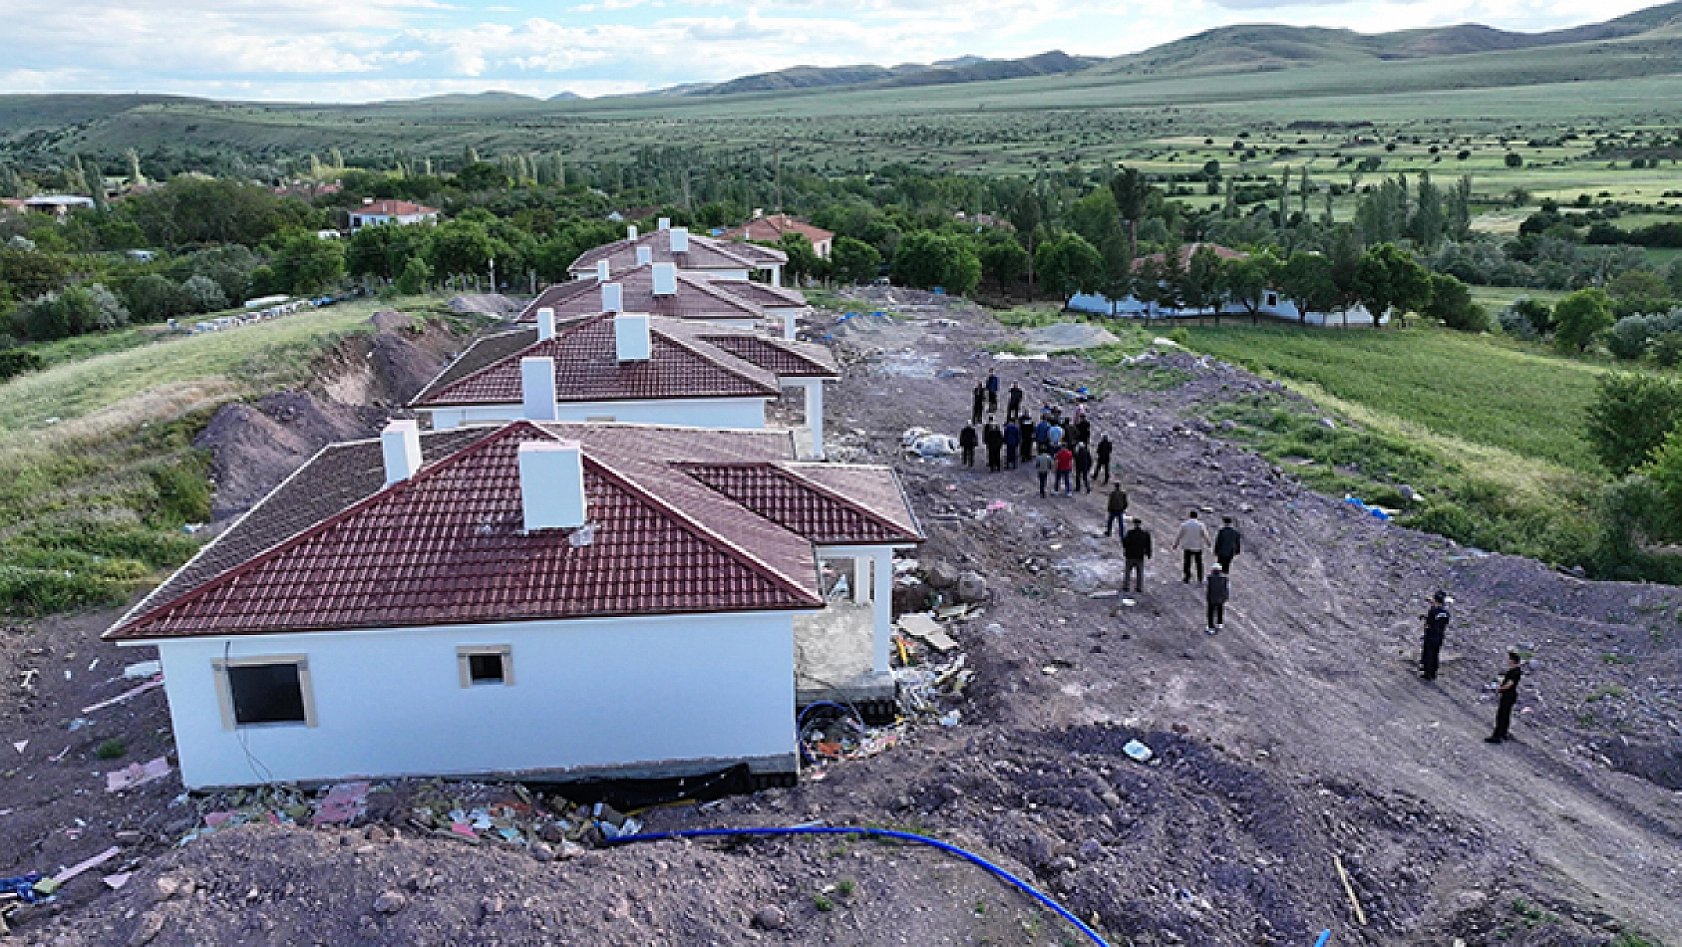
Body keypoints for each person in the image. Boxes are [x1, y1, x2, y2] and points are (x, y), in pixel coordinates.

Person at [1486, 651, 1523, 743]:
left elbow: (1510, 683)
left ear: (1513, 661)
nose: (1508, 661)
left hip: (1508, 695)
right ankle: (1503, 733)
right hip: (1511, 695)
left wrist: (1500, 689)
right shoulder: (1517, 671)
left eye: (1510, 659)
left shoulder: (1513, 672)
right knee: (1506, 715)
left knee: (1501, 715)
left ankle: (1497, 736)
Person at [1173, 511, 1211, 584]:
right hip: (1198, 546)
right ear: (1197, 516)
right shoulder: (1200, 525)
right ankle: (1200, 578)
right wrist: (1208, 543)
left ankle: (1187, 577)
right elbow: (1205, 535)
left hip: (1187, 546)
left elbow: (1179, 535)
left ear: (1189, 516)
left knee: (1187, 562)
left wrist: (1176, 544)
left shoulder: (1184, 524)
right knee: (1199, 563)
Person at [1421, 590, 1450, 681]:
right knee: (1435, 654)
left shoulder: (1433, 611)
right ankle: (1433, 673)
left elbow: (1428, 624)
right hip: (1440, 635)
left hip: (1431, 635)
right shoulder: (1446, 613)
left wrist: (1425, 622)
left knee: (1428, 653)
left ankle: (1427, 673)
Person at [1122, 518, 1151, 592]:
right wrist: (1149, 554)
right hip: (1140, 555)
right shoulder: (1145, 534)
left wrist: (1125, 548)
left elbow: (1125, 543)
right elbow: (1148, 545)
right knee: (1139, 572)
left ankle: (1126, 586)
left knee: (1128, 572)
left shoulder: (1130, 533)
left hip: (1130, 555)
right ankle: (1139, 587)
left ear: (1134, 524)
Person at [1205, 564, 1229, 633]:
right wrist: (1226, 597)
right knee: (1220, 610)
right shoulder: (1225, 578)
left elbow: (1205, 583)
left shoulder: (1209, 577)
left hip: (1211, 598)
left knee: (1210, 613)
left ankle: (1211, 627)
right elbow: (1227, 588)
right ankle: (1219, 623)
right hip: (1221, 598)